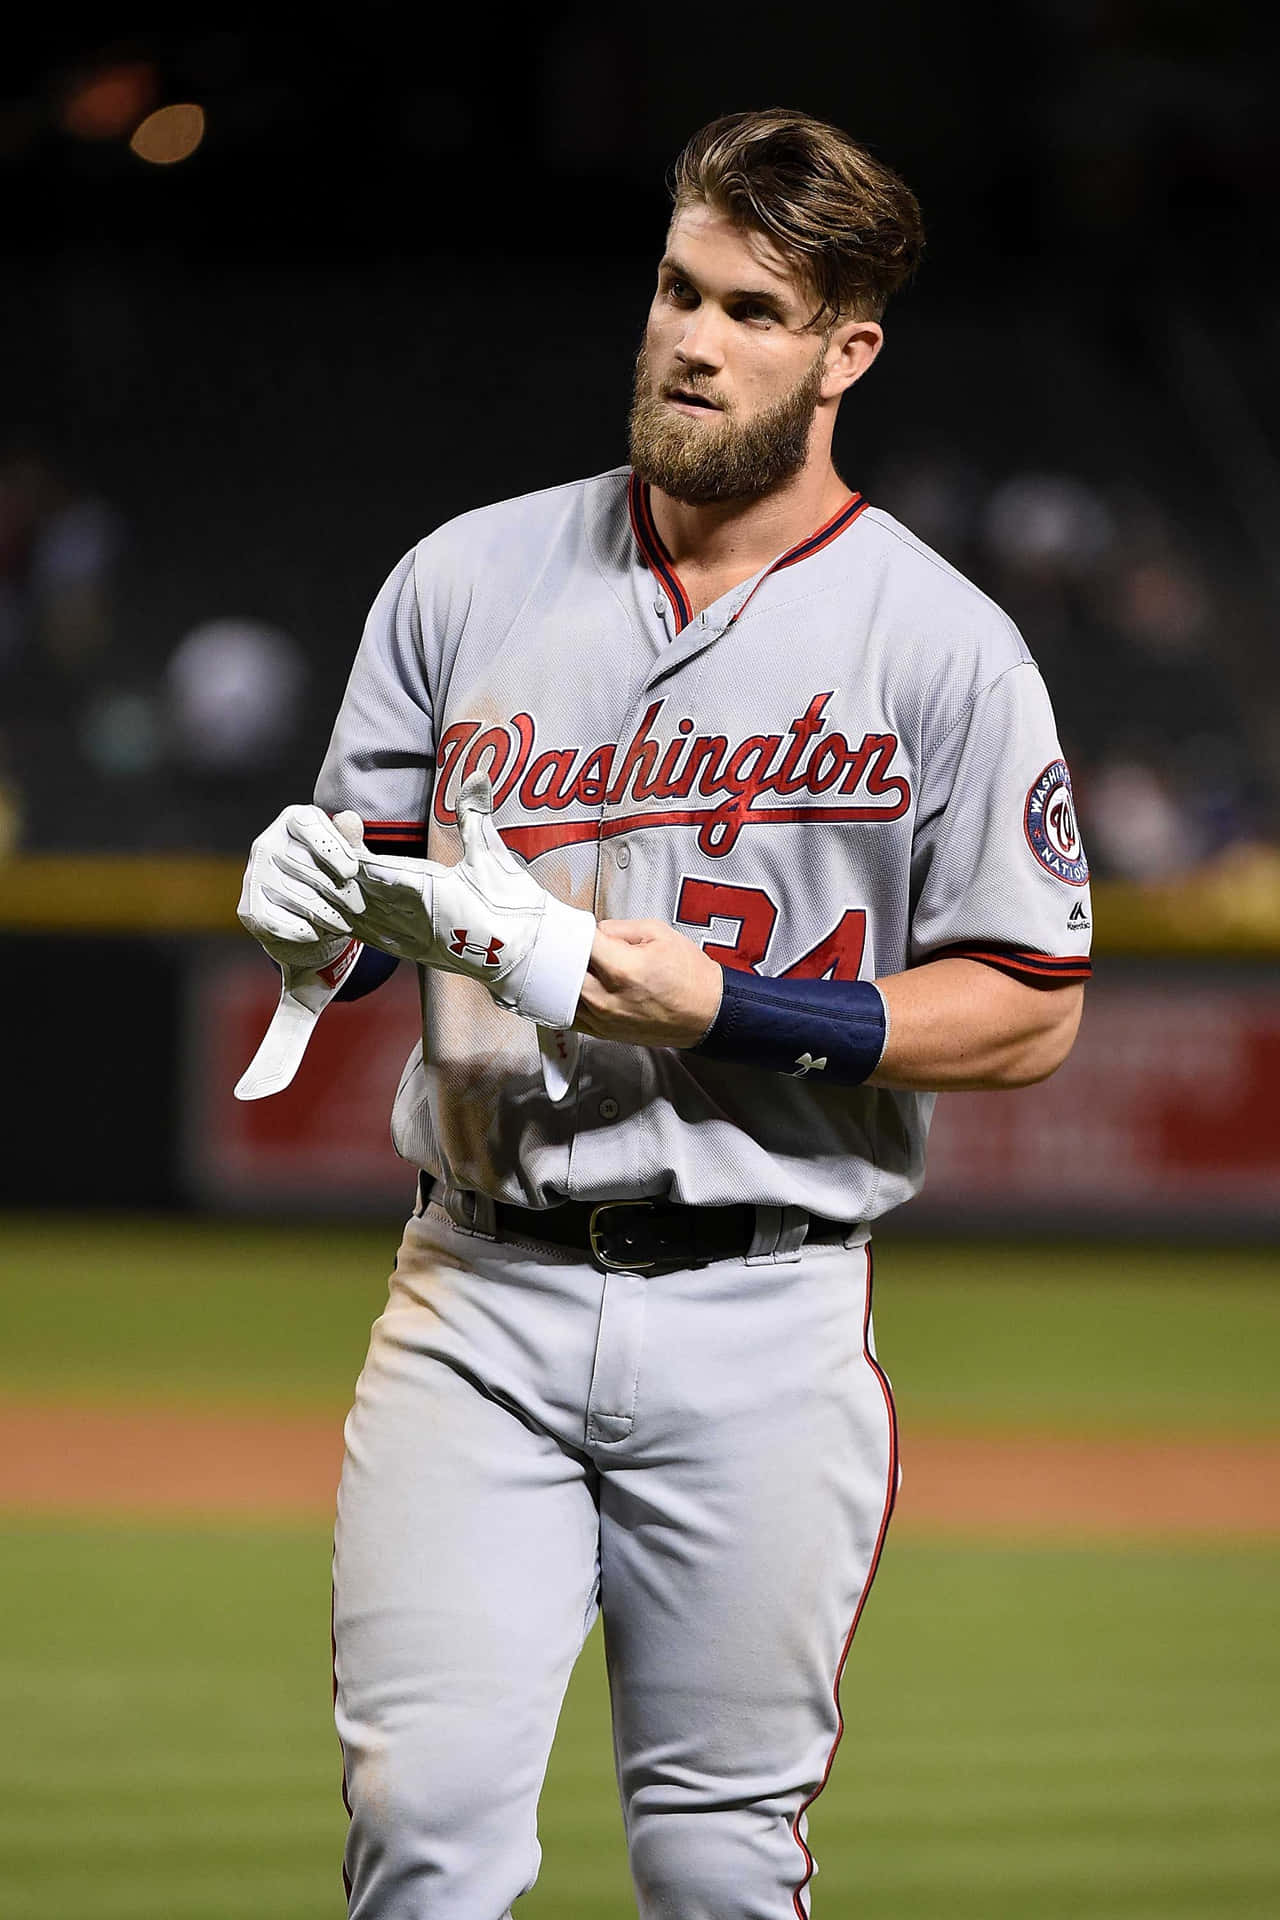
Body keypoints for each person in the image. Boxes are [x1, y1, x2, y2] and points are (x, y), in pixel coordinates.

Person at [237, 108, 1092, 1919]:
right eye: (675, 288)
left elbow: (1028, 1006)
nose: (691, 339)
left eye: (754, 309)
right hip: (477, 1288)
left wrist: (744, 1008)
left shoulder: (943, 646)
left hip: (765, 1316)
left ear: (846, 348)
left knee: (717, 1862)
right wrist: (313, 923)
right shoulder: (462, 581)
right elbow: (369, 928)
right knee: (424, 1824)